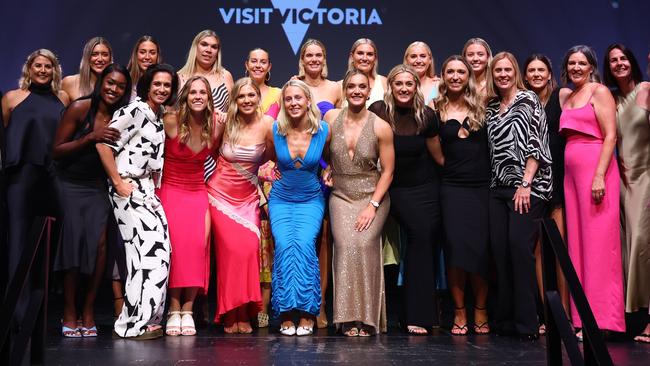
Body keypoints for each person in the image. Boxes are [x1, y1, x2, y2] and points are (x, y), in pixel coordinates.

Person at [96, 63, 178, 340]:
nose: (162, 89)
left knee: (158, 254)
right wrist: (118, 183)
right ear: (147, 85)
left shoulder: (157, 116)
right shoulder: (133, 110)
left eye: (167, 85)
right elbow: (102, 144)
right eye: (157, 84)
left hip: (147, 190)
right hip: (128, 188)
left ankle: (145, 319)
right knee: (146, 256)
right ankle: (133, 324)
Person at [52, 64, 131, 337]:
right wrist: (91, 137)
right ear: (101, 83)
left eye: (120, 86)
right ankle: (69, 310)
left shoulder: (123, 115)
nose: (113, 89)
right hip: (70, 183)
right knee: (73, 243)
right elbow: (57, 151)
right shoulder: (80, 108)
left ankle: (88, 310)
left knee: (98, 246)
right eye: (110, 83)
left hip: (99, 185)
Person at [368, 64, 441, 335]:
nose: (404, 89)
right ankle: (406, 313)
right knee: (418, 235)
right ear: (391, 86)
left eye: (409, 84)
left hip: (426, 188)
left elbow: (438, 156)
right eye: (398, 83)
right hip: (393, 189)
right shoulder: (378, 112)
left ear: (416, 87)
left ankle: (418, 315)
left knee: (423, 240)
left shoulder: (427, 116)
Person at [485, 52, 552, 340]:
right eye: (497, 70)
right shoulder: (490, 107)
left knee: (519, 250)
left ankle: (528, 323)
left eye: (507, 69)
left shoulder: (529, 100)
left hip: (528, 187)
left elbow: (535, 143)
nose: (502, 74)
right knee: (499, 251)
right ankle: (505, 320)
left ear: (516, 72)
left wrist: (525, 183)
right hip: (498, 187)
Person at [560, 45, 626, 340]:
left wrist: (599, 174)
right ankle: (581, 317)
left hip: (595, 172)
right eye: (571, 63)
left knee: (599, 247)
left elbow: (611, 134)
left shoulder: (599, 91)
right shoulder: (568, 95)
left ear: (591, 66)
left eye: (581, 63)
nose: (576, 67)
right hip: (572, 177)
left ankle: (602, 320)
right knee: (578, 247)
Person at [2, 49, 69, 334]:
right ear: (29, 68)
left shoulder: (63, 99)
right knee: (18, 242)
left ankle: (42, 311)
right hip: (20, 177)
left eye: (48, 66)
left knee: (48, 245)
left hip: (53, 177)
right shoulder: (11, 98)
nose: (43, 70)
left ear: (55, 71)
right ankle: (17, 313)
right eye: (38, 65)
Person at [323, 69, 394, 336]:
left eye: (361, 87)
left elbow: (387, 171)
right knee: (345, 245)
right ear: (345, 89)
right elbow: (316, 147)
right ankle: (346, 317)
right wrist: (325, 167)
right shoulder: (330, 118)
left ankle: (367, 317)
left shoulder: (380, 126)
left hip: (372, 195)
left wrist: (372, 205)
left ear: (368, 91)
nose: (355, 90)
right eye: (351, 85)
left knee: (364, 245)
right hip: (341, 195)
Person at [208, 78, 274, 334]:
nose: (246, 100)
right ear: (234, 100)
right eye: (241, 96)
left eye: (251, 95)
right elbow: (207, 151)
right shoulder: (224, 123)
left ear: (258, 98)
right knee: (229, 256)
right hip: (220, 196)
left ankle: (245, 312)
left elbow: (272, 155)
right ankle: (229, 314)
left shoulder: (268, 124)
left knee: (247, 253)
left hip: (248, 199)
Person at [433, 55, 490, 335]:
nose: (456, 76)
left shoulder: (483, 106)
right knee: (455, 250)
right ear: (443, 76)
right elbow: (437, 154)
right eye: (450, 72)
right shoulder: (436, 109)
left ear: (468, 76)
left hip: (482, 188)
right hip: (452, 188)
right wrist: (457, 170)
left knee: (480, 251)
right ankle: (459, 312)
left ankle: (480, 309)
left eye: (461, 72)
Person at [270, 80, 331, 336]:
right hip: (281, 199)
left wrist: (331, 171)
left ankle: (308, 312)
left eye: (298, 98)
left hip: (310, 199)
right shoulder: (275, 129)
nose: (294, 103)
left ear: (308, 101)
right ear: (283, 103)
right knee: (284, 246)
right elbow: (262, 160)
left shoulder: (324, 129)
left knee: (305, 246)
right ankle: (285, 313)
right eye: (288, 99)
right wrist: (265, 170)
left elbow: (332, 159)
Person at [157, 75, 215, 336]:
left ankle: (188, 309)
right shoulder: (170, 120)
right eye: (193, 92)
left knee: (197, 247)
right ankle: (173, 308)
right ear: (186, 96)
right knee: (174, 251)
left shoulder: (214, 126)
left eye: (203, 92)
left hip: (197, 191)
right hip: (170, 191)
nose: (198, 96)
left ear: (209, 98)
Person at [603, 45, 650, 330]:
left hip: (646, 177)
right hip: (621, 182)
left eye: (623, 58)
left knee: (643, 244)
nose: (619, 64)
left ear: (631, 62)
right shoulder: (611, 98)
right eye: (613, 61)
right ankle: (635, 317)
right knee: (628, 246)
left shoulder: (646, 89)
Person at [296, 38, 342, 328]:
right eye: (309, 55)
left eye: (318, 55)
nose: (314, 59)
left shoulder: (335, 87)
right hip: (300, 169)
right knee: (301, 241)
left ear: (324, 58)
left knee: (324, 240)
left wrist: (333, 166)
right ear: (302, 59)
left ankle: (320, 305)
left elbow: (342, 129)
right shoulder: (293, 84)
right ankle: (297, 301)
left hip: (326, 169)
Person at [523, 54, 570, 334]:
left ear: (549, 72)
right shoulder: (524, 101)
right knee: (538, 249)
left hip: (559, 178)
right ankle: (548, 314)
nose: (537, 74)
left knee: (558, 248)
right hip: (534, 182)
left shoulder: (561, 96)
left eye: (541, 69)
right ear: (525, 75)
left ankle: (563, 313)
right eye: (532, 70)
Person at [242, 47, 281, 329]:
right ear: (246, 65)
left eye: (263, 61)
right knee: (247, 250)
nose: (258, 65)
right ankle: (242, 305)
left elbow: (277, 145)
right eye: (253, 61)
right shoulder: (238, 93)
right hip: (242, 181)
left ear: (269, 66)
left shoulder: (279, 95)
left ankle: (265, 309)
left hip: (270, 178)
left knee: (267, 250)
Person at [178, 29, 233, 112]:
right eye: (204, 44)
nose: (208, 50)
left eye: (214, 47)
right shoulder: (178, 78)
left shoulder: (225, 77)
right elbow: (169, 114)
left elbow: (234, 113)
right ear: (195, 47)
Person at [62, 37, 112, 101]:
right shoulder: (69, 82)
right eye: (94, 54)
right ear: (87, 57)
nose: (100, 59)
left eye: (105, 55)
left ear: (110, 58)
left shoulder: (115, 87)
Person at [344, 38, 387, 107]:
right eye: (360, 53)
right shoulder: (340, 86)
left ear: (375, 58)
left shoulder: (384, 83)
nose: (364, 58)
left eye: (369, 54)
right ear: (352, 56)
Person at [127, 35, 162, 101]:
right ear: (136, 55)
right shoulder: (126, 82)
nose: (147, 57)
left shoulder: (164, 84)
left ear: (157, 56)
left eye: (152, 53)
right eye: (142, 52)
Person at [404, 41, 440, 105]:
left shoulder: (439, 85)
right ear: (406, 60)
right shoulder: (398, 86)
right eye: (413, 56)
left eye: (423, 56)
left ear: (430, 60)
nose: (418, 61)